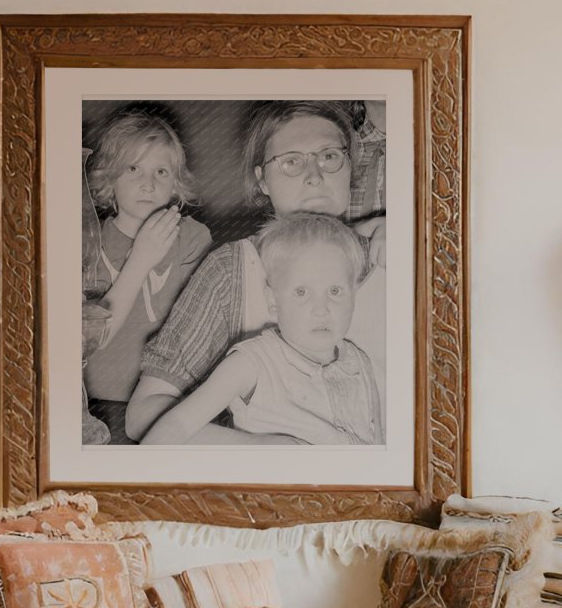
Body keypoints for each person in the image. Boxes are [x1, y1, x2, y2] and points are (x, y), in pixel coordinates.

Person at [124, 100, 385, 443]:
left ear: (350, 166)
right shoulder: (233, 270)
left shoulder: (394, 249)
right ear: (262, 180)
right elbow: (142, 414)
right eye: (291, 162)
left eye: (329, 156)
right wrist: (266, 450)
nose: (314, 176)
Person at [141, 213, 382, 446]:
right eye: (302, 292)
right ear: (274, 302)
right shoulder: (251, 363)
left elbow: (379, 448)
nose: (322, 309)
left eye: (335, 291)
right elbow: (176, 427)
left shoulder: (360, 363)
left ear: (353, 297)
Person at [81, 108, 211, 441]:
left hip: (168, 402)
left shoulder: (194, 237)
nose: (147, 183)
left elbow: (197, 332)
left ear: (176, 186)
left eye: (162, 172)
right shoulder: (87, 241)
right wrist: (141, 258)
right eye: (133, 168)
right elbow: (92, 339)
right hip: (99, 402)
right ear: (109, 178)